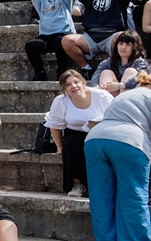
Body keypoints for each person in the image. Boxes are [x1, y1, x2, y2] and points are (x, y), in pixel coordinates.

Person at [85, 72, 151, 241]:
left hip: (94, 140)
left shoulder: (127, 94)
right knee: (133, 193)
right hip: (129, 142)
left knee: (100, 194)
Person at [45, 70, 113, 198]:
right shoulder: (61, 101)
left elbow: (116, 115)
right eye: (68, 84)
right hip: (75, 131)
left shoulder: (101, 96)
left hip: (101, 131)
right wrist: (59, 146)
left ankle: (101, 186)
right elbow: (54, 125)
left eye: (76, 82)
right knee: (70, 146)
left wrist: (100, 124)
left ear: (83, 83)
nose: (73, 86)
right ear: (64, 89)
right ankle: (77, 185)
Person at [26, 0, 81, 80]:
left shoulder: (65, 0)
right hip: (46, 37)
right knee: (31, 46)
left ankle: (61, 70)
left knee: (59, 41)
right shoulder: (41, 2)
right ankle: (40, 72)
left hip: (63, 35)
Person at [93, 31, 149, 96]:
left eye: (128, 45)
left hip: (132, 95)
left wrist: (120, 85)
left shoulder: (140, 63)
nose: (123, 47)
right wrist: (95, 87)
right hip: (112, 93)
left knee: (130, 71)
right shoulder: (109, 62)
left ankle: (123, 103)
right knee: (106, 72)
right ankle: (106, 102)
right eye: (121, 44)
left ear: (135, 47)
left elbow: (141, 78)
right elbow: (96, 75)